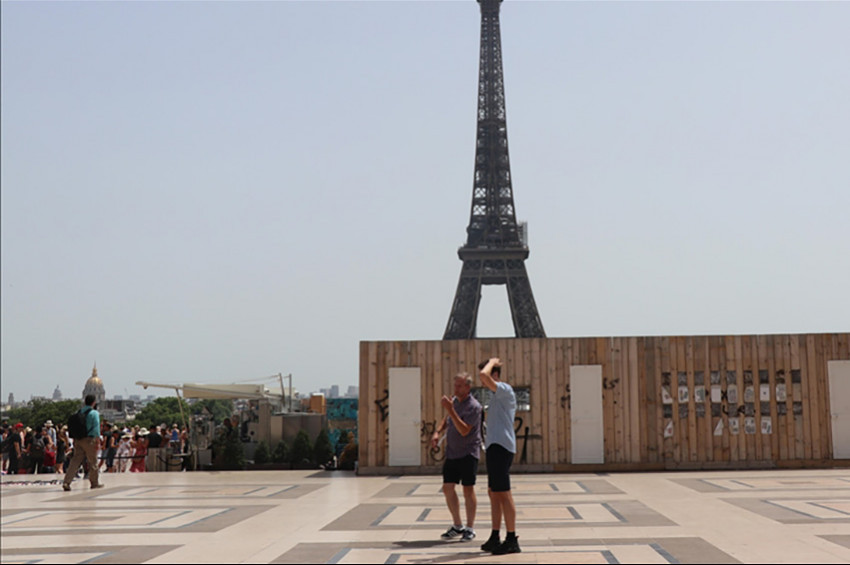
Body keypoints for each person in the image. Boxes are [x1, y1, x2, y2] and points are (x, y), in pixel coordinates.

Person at [430, 372, 482, 542]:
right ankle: (457, 524)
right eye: (455, 385)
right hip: (452, 453)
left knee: (468, 489)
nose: (456, 389)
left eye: (459, 386)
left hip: (468, 453)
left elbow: (464, 430)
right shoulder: (455, 402)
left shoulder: (474, 407)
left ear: (468, 387)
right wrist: (437, 432)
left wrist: (450, 409)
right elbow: (446, 420)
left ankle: (470, 527)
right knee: (447, 487)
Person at [478, 357, 520, 555]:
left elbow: (483, 375)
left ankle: (511, 538)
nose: (482, 382)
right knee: (494, 493)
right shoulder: (495, 395)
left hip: (502, 447)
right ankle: (495, 535)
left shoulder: (504, 389)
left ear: (495, 374)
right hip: (494, 446)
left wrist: (492, 362)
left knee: (504, 492)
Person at [62, 395, 105, 491]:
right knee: (93, 462)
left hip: (78, 439)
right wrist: (97, 441)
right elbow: (96, 429)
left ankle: (67, 482)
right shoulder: (94, 413)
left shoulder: (79, 412)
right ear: (93, 402)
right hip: (89, 440)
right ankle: (94, 483)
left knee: (75, 461)